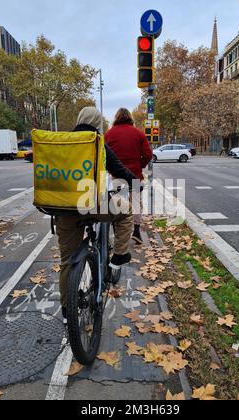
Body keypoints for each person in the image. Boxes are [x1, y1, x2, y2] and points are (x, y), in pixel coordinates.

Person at [56, 107, 136, 324]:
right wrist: (136, 182)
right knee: (126, 210)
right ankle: (119, 255)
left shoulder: (61, 142)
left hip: (63, 209)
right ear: (98, 124)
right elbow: (119, 170)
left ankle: (66, 312)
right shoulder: (96, 143)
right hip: (93, 206)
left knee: (66, 261)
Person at [105, 108, 153, 245]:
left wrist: (111, 169)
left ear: (117, 117)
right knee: (136, 203)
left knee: (116, 204)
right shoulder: (139, 134)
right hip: (135, 175)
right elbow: (148, 155)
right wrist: (140, 165)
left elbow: (104, 155)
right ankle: (136, 232)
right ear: (130, 118)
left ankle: (118, 233)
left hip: (116, 176)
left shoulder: (109, 134)